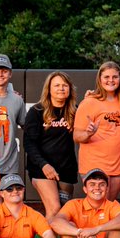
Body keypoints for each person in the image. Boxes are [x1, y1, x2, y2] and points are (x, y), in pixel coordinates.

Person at [23, 71, 78, 219]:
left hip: (66, 170)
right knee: (54, 208)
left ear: (70, 89)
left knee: (64, 213)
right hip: (42, 169)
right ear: (49, 89)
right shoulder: (36, 111)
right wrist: (43, 165)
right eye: (57, 85)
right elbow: (29, 144)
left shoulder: (75, 111)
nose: (61, 88)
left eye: (64, 85)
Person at [74, 62, 120, 200]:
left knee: (109, 205)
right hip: (94, 162)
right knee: (97, 205)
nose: (111, 80)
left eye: (115, 77)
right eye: (106, 77)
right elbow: (76, 136)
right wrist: (88, 133)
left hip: (117, 164)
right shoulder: (90, 102)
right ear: (99, 79)